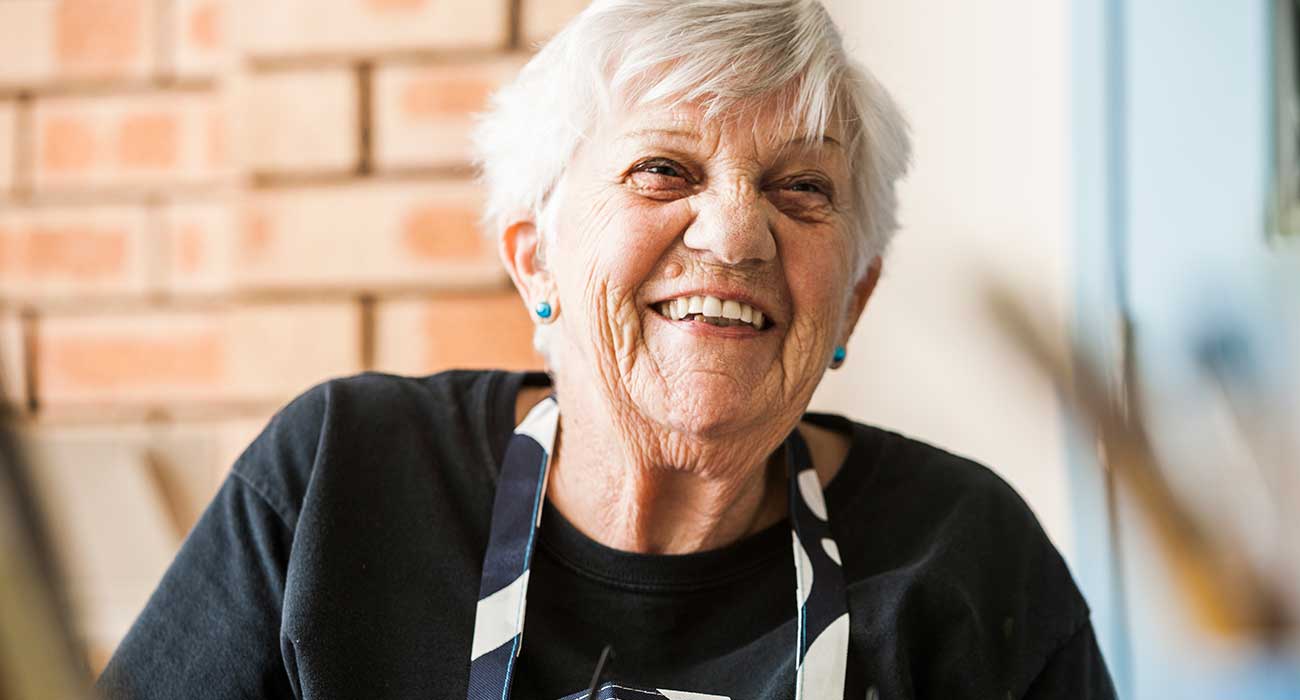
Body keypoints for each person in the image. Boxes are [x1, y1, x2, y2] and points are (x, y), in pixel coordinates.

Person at [96, 1, 1116, 698]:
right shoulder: (341, 477)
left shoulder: (966, 556)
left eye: (801, 188)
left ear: (852, 298)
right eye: (663, 169)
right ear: (534, 260)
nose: (734, 234)